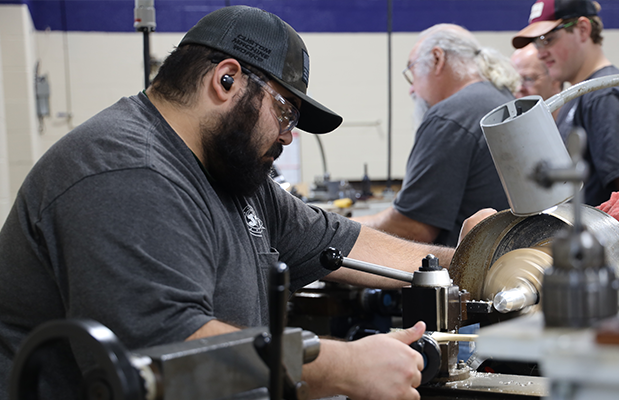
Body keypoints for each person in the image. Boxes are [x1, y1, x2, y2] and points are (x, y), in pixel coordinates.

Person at [0, 7, 494, 400]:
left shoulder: (234, 174)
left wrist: (475, 264)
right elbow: (168, 354)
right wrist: (342, 366)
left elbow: (341, 241)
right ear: (227, 80)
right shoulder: (125, 171)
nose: (287, 136)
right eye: (284, 111)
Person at [353, 24, 515, 247]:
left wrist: (335, 227)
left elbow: (413, 228)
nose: (412, 90)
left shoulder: (450, 116)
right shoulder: (503, 99)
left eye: (412, 71)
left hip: (468, 274)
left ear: (437, 59)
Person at [512, 0, 619, 207]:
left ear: (582, 29)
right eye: (537, 42)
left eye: (548, 39)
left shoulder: (608, 95)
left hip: (599, 238)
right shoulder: (579, 95)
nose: (541, 52)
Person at [510, 43, 563, 116]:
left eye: (528, 79)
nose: (519, 88)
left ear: (555, 82)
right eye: (514, 80)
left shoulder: (575, 121)